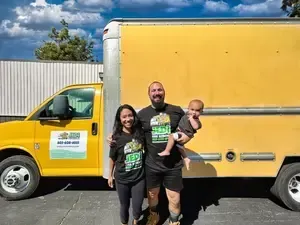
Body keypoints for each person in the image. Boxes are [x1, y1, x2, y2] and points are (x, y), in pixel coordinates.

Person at [107, 81, 190, 225]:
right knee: (152, 195)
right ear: (149, 94)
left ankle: (174, 221)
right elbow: (129, 130)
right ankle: (154, 215)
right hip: (151, 165)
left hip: (173, 164)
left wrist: (186, 138)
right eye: (153, 90)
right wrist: (112, 135)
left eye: (159, 90)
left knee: (174, 198)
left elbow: (187, 131)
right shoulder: (142, 115)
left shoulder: (176, 111)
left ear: (164, 92)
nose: (157, 93)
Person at [108, 104, 146, 225]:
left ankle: (135, 222)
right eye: (124, 117)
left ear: (134, 116)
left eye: (130, 115)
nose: (128, 119)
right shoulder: (116, 137)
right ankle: (124, 223)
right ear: (119, 119)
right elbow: (112, 158)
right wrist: (110, 175)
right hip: (122, 178)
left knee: (137, 206)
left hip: (139, 178)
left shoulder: (140, 133)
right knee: (124, 206)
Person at [158, 99, 204, 171]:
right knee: (179, 147)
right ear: (188, 108)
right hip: (181, 132)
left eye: (197, 110)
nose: (194, 112)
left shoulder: (197, 121)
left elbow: (195, 127)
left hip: (184, 134)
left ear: (201, 112)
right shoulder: (186, 115)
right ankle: (186, 158)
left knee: (172, 136)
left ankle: (167, 150)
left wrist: (191, 119)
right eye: (192, 109)